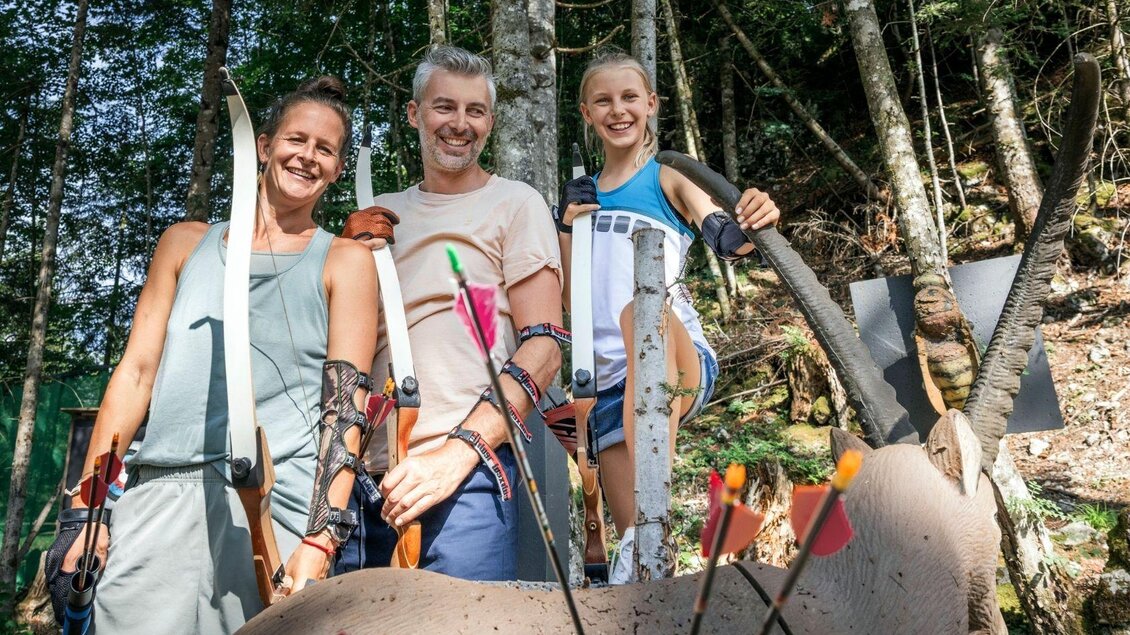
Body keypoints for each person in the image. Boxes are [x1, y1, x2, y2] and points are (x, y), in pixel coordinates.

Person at [47, 76, 378, 633]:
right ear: (265, 144)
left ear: (339, 169)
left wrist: (320, 541)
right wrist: (89, 509)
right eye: (297, 140)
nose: (308, 157)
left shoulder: (345, 262)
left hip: (274, 506)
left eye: (326, 149)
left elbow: (346, 410)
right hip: (159, 492)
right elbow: (135, 375)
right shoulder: (184, 243)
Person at [334, 45, 564, 581]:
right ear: (415, 114)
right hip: (363, 477)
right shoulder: (377, 214)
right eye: (444, 107)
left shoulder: (515, 203)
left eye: (475, 111)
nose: (459, 124)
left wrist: (457, 453)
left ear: (488, 122)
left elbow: (545, 346)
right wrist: (345, 261)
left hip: (466, 475)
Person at [555, 51, 781, 584]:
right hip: (607, 390)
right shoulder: (579, 197)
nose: (618, 110)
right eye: (603, 101)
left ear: (651, 104)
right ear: (587, 113)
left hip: (675, 355)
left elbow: (727, 234)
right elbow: (569, 304)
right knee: (640, 552)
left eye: (630, 97)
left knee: (643, 309)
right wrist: (566, 226)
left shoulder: (669, 177)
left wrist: (755, 216)